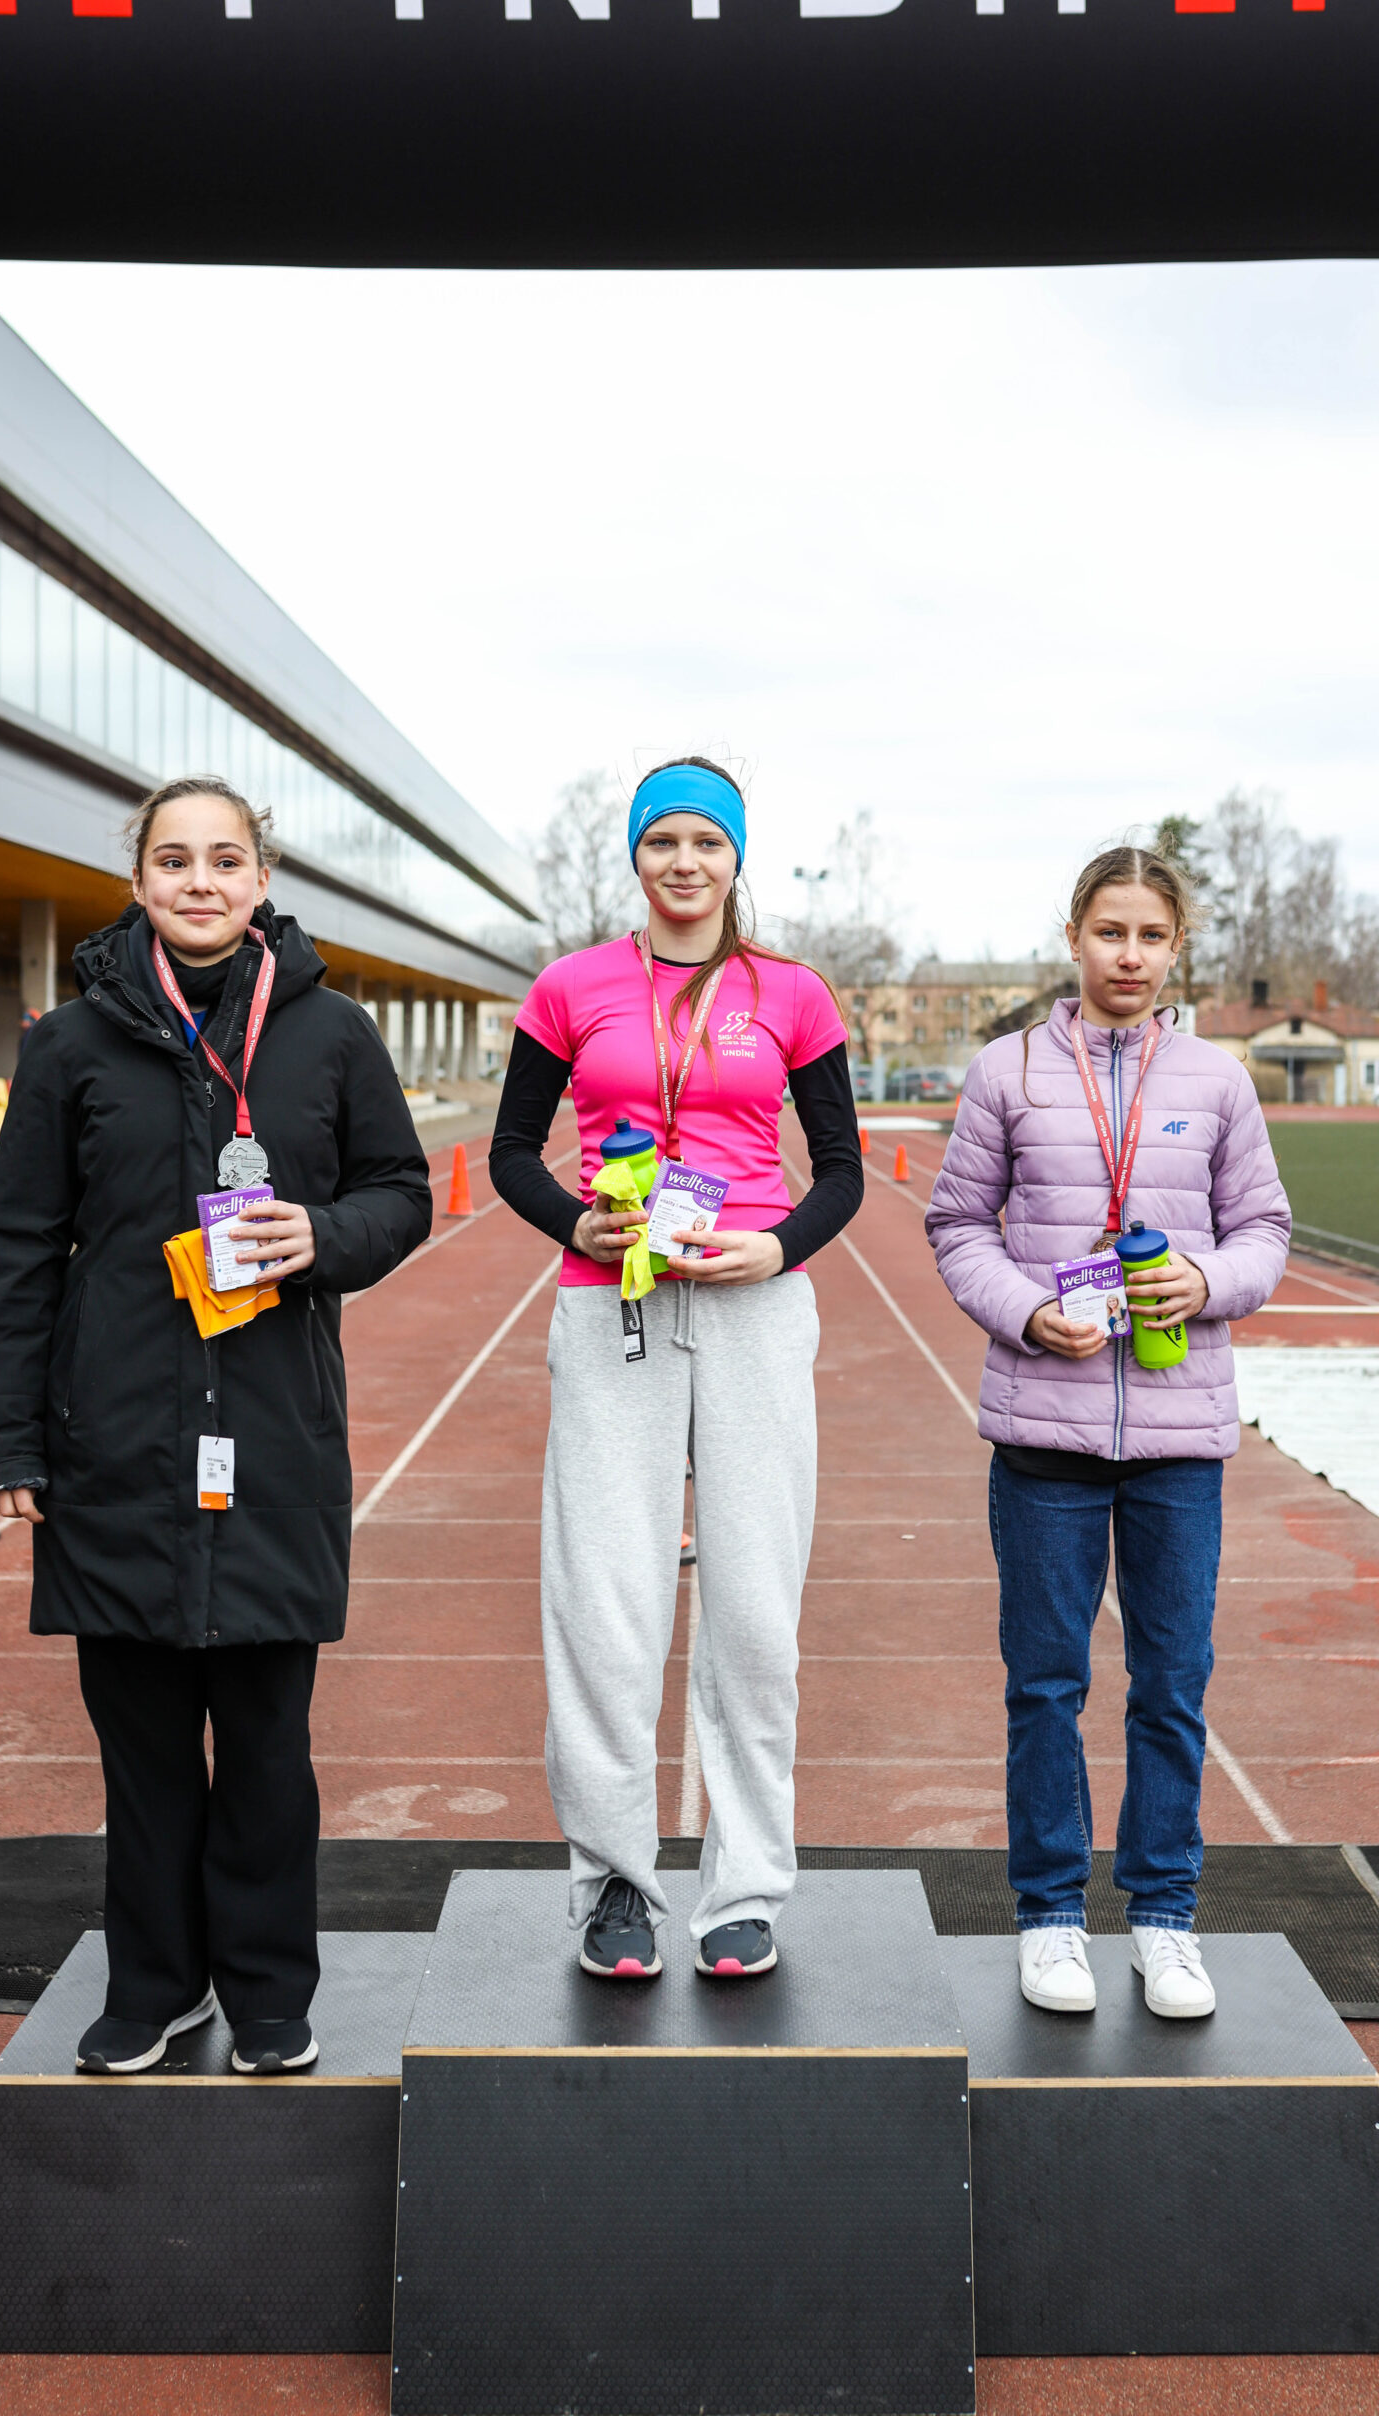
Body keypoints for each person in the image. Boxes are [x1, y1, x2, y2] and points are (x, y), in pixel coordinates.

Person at [0, 778, 430, 2074]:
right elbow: (18, 1248)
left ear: (262, 880)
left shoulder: (331, 1033)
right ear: (139, 881)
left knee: (269, 1747)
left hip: (275, 1435)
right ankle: (155, 1984)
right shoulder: (68, 1046)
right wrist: (1, 1435)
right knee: (146, 1751)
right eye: (175, 860)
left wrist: (321, 1234)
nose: (201, 881)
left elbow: (401, 1192)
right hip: (116, 1439)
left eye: (225, 859)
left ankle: (269, 1988)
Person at [489, 757, 863, 1979]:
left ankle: (745, 1888)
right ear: (636, 856)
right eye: (663, 841)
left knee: (753, 1614)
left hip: (754, 1308)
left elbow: (843, 1170)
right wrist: (576, 1224)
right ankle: (612, 1883)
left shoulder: (792, 993)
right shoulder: (571, 986)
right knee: (604, 1605)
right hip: (614, 1308)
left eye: (707, 840)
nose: (685, 861)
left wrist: (777, 1245)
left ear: (736, 856)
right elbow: (510, 1152)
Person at [925, 845, 1289, 2020]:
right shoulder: (1009, 1070)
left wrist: (1207, 1279)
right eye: (1110, 931)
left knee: (1171, 1685)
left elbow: (1266, 1230)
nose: (1129, 955)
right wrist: (1029, 1311)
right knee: (1045, 1685)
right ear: (1074, 936)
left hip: (1180, 1440)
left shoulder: (1220, 1080)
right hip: (1046, 1437)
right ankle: (1049, 1918)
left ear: (1178, 948)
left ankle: (1165, 1920)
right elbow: (956, 1224)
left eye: (1151, 936)